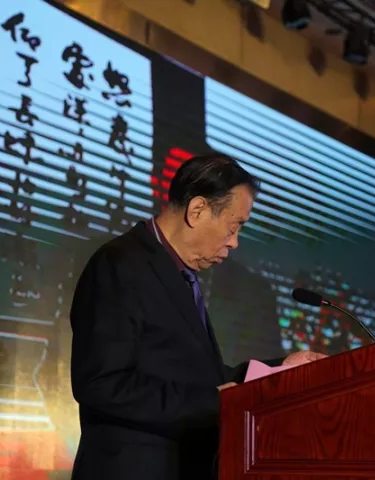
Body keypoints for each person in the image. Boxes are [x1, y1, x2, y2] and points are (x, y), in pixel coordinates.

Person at [69, 154, 326, 480]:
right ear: (198, 210)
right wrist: (215, 402)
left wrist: (280, 370)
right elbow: (101, 383)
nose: (235, 242)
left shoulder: (179, 274)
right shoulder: (119, 264)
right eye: (234, 227)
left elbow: (196, 377)